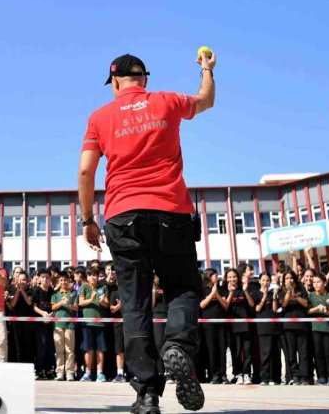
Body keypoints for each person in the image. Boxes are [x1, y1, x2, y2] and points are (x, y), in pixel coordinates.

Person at [78, 51, 215, 413]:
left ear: (117, 81)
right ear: (144, 79)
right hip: (171, 210)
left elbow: (85, 172)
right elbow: (206, 100)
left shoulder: (99, 118)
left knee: (135, 303)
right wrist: (206, 70)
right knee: (183, 287)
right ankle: (177, 346)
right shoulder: (167, 101)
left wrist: (88, 220)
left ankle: (147, 394)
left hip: (123, 216)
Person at [78, 266, 109, 382]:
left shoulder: (103, 287)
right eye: (90, 275)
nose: (93, 277)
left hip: (100, 323)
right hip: (87, 323)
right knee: (88, 349)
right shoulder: (84, 287)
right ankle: (88, 373)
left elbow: (107, 305)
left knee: (100, 349)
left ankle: (100, 373)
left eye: (95, 275)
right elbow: (80, 303)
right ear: (87, 277)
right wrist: (91, 300)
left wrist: (103, 301)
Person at [251, 272, 281, 386]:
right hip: (263, 328)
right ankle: (264, 378)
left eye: (267, 280)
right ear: (259, 281)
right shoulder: (255, 293)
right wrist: (263, 296)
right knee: (265, 353)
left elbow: (274, 309)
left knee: (275, 354)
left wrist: (273, 297)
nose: (265, 283)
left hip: (274, 327)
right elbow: (257, 309)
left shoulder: (272, 293)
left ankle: (276, 378)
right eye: (263, 280)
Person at [307, 274, 329, 386]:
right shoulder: (310, 296)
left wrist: (326, 312)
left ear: (324, 283)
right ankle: (321, 376)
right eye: (314, 282)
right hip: (315, 328)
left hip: (328, 328)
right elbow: (307, 311)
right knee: (318, 353)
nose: (316, 284)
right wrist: (317, 308)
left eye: (318, 282)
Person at [51, 271, 78, 381]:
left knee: (70, 349)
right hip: (58, 325)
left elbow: (76, 308)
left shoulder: (73, 293)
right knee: (59, 349)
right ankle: (60, 372)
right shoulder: (55, 294)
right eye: (61, 280)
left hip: (70, 325)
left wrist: (68, 304)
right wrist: (61, 303)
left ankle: (70, 372)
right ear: (58, 281)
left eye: (65, 280)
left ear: (69, 281)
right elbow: (53, 308)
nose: (63, 282)